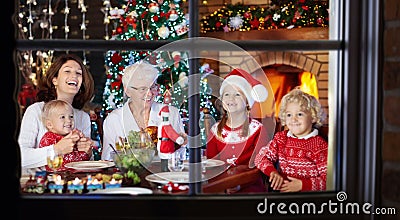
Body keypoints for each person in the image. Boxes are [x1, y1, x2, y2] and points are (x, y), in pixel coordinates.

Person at [18, 53, 95, 175]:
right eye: (67, 71)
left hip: (74, 184)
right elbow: (20, 156)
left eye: (79, 73)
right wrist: (56, 150)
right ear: (55, 80)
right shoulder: (36, 111)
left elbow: (86, 163)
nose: (74, 76)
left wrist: (88, 153)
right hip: (40, 186)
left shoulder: (83, 117)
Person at [101, 61, 187, 161]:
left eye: (153, 87)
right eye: (143, 89)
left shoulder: (171, 113)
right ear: (127, 91)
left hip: (164, 173)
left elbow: (180, 156)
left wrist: (181, 142)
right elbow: (108, 159)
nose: (149, 94)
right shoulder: (114, 119)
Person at [206, 68, 269, 193]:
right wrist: (224, 185)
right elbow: (211, 165)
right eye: (227, 94)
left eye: (237, 94)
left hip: (250, 188)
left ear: (247, 102)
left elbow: (259, 167)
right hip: (220, 188)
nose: (231, 98)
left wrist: (238, 184)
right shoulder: (215, 131)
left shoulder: (258, 130)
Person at [254, 88, 328, 192]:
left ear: (313, 117)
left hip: (310, 199)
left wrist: (302, 185)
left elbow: (329, 180)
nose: (293, 119)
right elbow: (260, 157)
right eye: (289, 115)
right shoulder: (281, 138)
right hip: (283, 194)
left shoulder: (319, 146)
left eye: (300, 114)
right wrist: (272, 172)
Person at [39, 100, 91, 171]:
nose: (69, 120)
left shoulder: (74, 137)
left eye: (71, 116)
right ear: (49, 124)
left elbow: (81, 160)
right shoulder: (48, 139)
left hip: (75, 176)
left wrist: (85, 151)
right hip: (58, 177)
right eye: (62, 117)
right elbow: (55, 163)